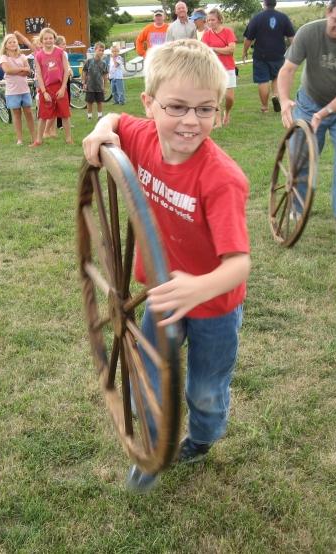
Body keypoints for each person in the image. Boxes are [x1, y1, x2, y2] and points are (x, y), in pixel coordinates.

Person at [82, 39, 251, 493]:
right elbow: (115, 120)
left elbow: (239, 265)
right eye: (176, 107)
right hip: (160, 293)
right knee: (150, 379)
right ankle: (157, 449)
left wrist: (198, 288)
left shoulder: (222, 178)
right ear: (150, 104)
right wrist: (100, 129)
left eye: (205, 109)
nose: (191, 121)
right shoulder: (141, 138)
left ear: (219, 110)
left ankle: (204, 436)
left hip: (215, 303)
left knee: (204, 390)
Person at [277, 0, 336, 236]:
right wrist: (284, 101)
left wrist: (324, 113)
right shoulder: (309, 32)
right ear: (328, 13)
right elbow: (287, 69)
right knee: (302, 158)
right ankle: (297, 210)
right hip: (309, 103)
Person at [242, 0, 295, 113]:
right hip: (278, 54)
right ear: (275, 3)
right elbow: (291, 37)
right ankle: (275, 95)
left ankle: (264, 107)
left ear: (264, 3)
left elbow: (248, 38)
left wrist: (244, 52)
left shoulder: (257, 18)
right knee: (276, 77)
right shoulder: (283, 17)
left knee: (263, 80)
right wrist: (295, 52)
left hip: (261, 55)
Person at [33, 27, 73, 145]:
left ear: (54, 39)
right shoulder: (39, 56)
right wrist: (44, 92)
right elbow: (39, 75)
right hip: (46, 88)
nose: (48, 40)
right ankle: (39, 140)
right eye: (45, 39)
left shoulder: (60, 53)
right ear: (42, 40)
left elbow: (66, 71)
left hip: (60, 87)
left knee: (65, 114)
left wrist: (63, 88)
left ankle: (68, 138)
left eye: (50, 38)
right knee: (43, 115)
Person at [202, 8, 237, 126]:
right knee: (214, 96)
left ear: (219, 20)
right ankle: (217, 122)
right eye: (208, 20)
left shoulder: (228, 32)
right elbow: (205, 51)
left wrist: (214, 50)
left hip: (228, 67)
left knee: (229, 97)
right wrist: (222, 50)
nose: (210, 22)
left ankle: (227, 112)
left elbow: (231, 49)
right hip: (213, 68)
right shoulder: (206, 35)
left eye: (213, 20)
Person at [0, 33, 36, 146]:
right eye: (10, 42)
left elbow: (28, 71)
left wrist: (19, 70)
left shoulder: (23, 57)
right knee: (16, 114)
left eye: (14, 41)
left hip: (24, 90)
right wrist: (21, 69)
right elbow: (7, 71)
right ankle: (19, 139)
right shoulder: (4, 58)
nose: (13, 44)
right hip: (12, 91)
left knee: (29, 113)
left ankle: (34, 137)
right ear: (5, 46)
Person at [82, 42, 109, 120]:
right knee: (89, 102)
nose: (101, 52)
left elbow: (105, 76)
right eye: (99, 50)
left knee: (99, 102)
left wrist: (105, 87)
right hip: (89, 86)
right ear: (95, 50)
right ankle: (89, 116)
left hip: (99, 86)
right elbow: (84, 72)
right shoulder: (89, 61)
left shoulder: (103, 63)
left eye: (102, 50)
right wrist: (84, 82)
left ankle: (100, 116)